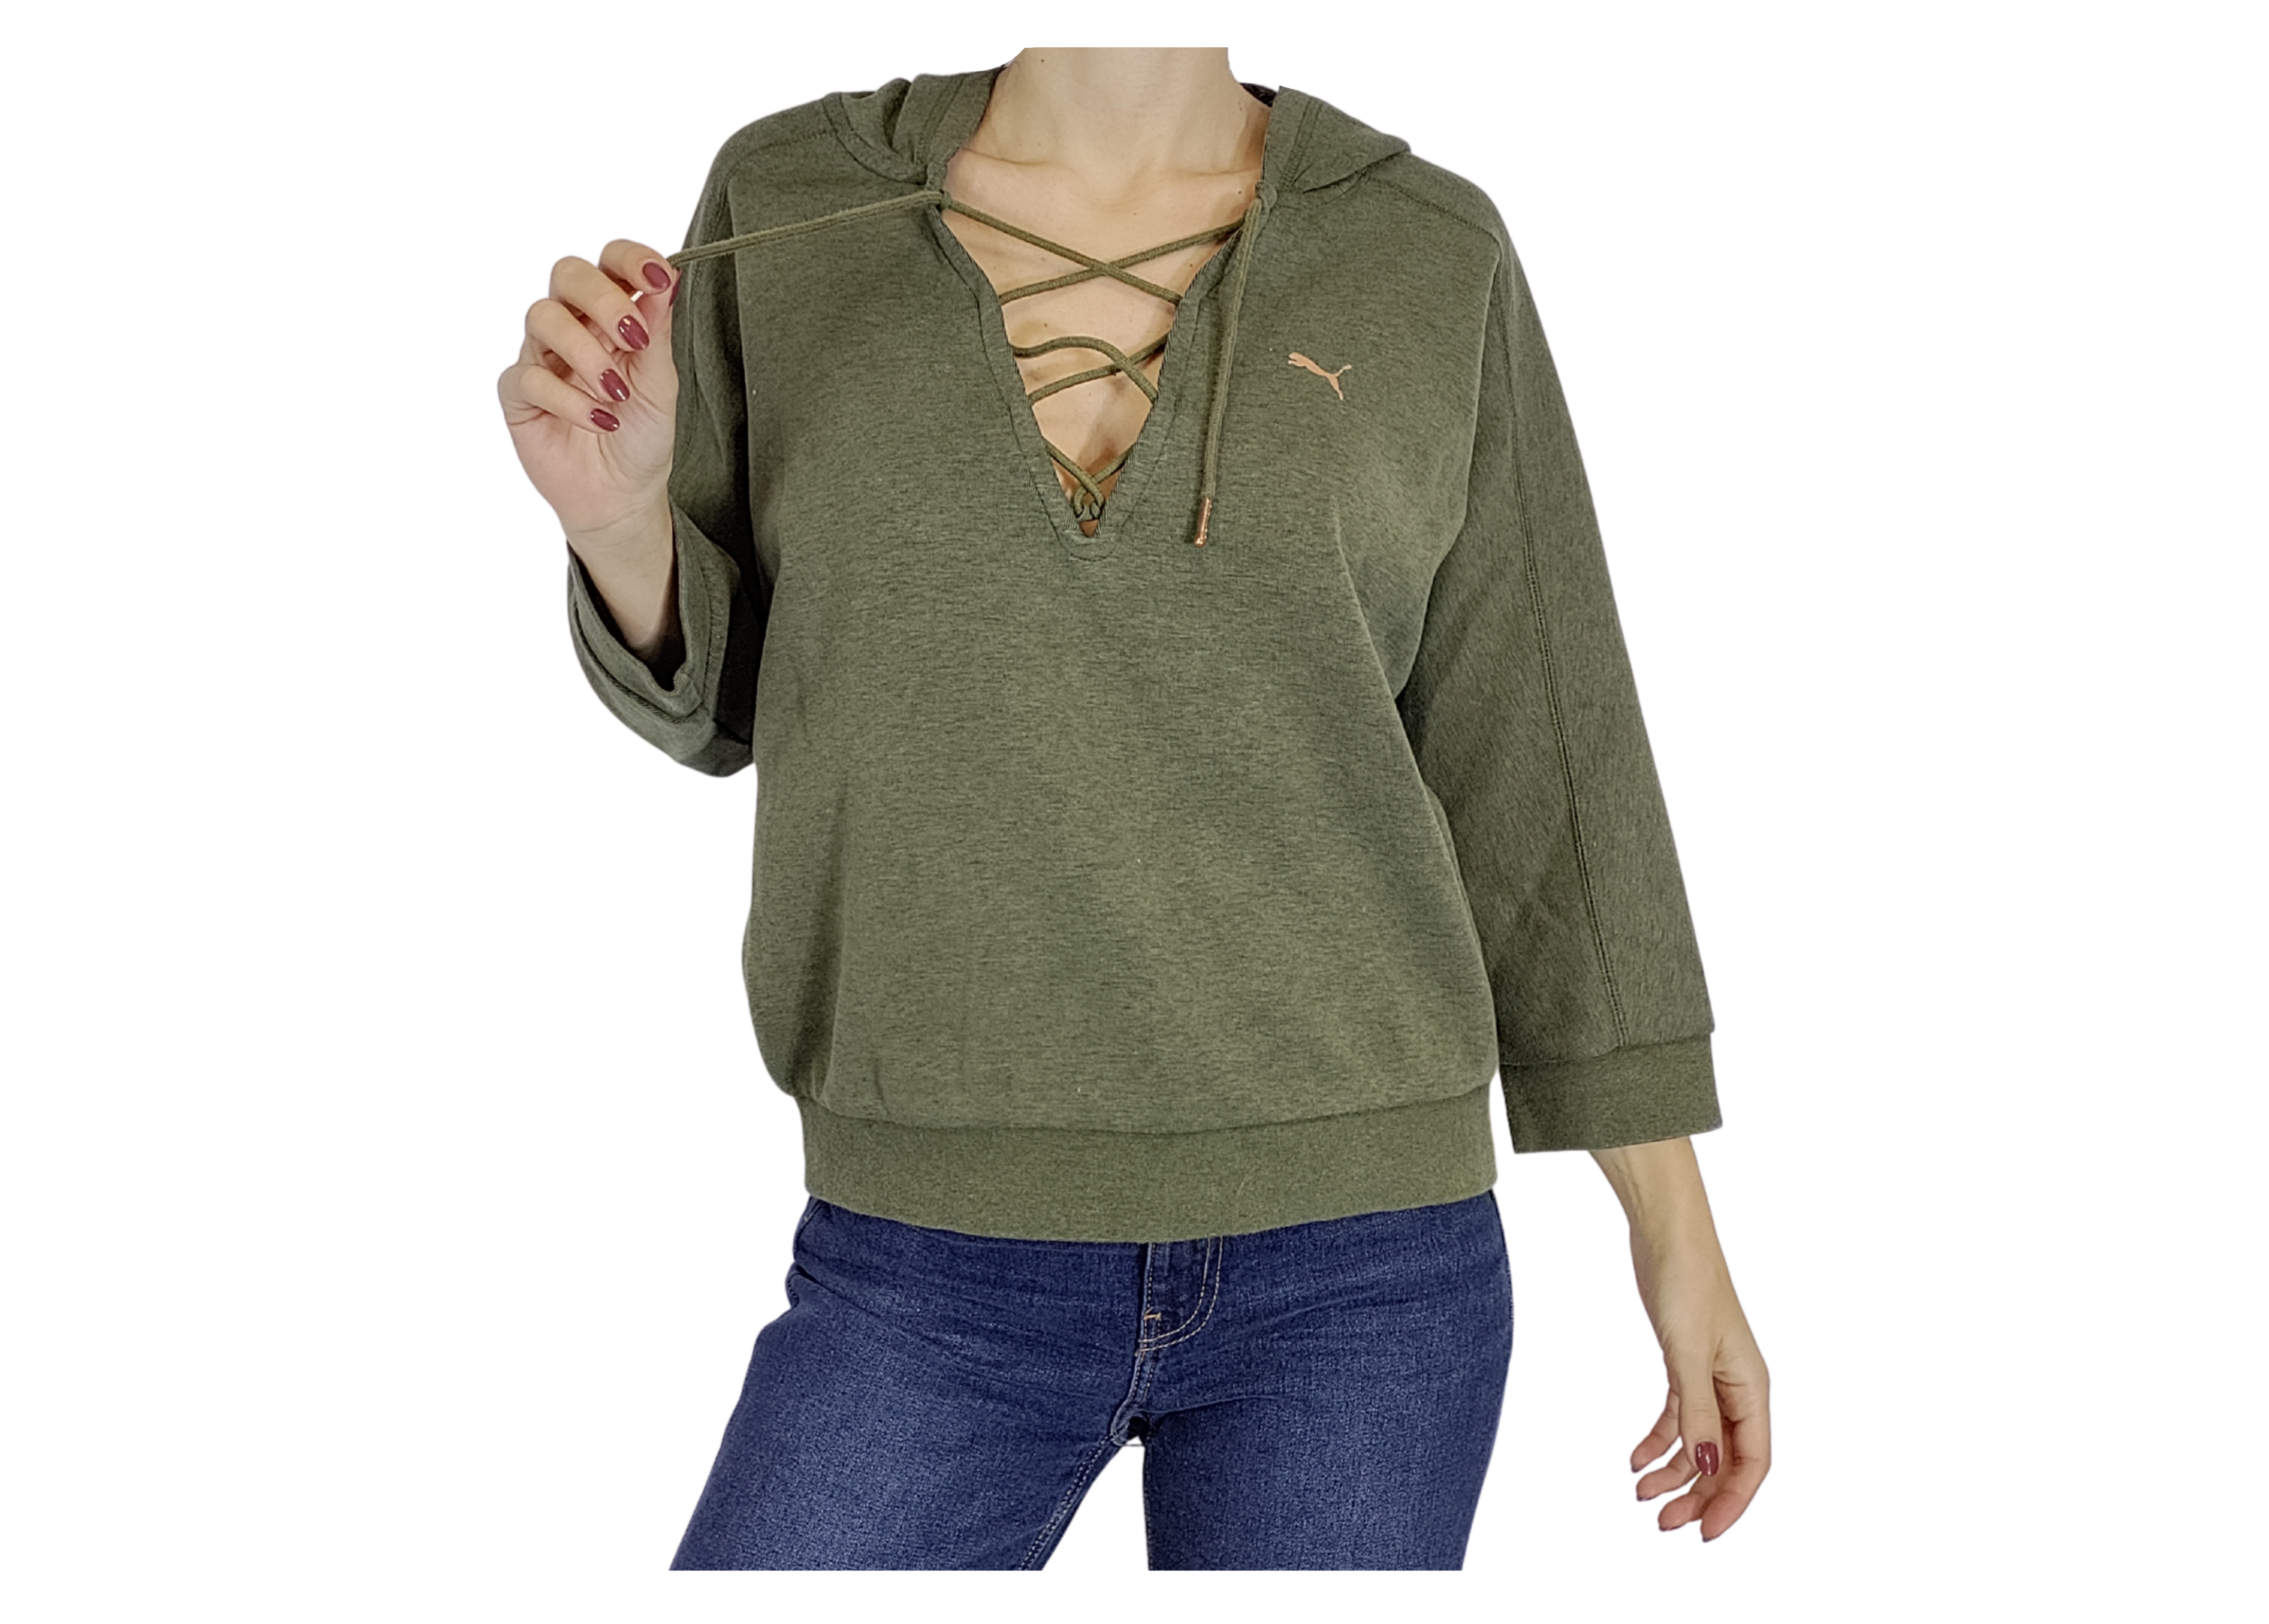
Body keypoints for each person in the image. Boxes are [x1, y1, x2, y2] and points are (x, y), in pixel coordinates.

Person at [497, 46, 1771, 1571]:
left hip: (1363, 1266)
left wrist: (1677, 1234)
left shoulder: (1429, 248)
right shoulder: (787, 204)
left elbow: (1541, 753)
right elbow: (729, 695)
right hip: (923, 1260)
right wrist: (617, 519)